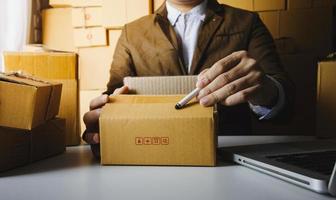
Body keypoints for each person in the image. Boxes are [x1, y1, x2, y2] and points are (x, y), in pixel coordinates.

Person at [83, 0, 294, 157]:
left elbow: (287, 105)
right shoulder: (132, 32)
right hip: (153, 156)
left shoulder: (247, 22)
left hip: (228, 158)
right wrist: (102, 119)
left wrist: (267, 92)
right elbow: (113, 96)